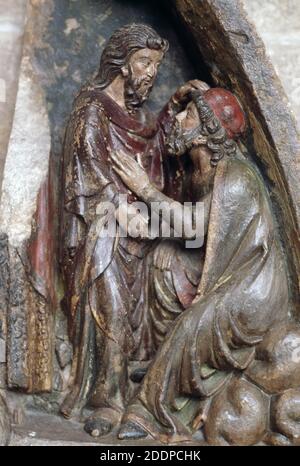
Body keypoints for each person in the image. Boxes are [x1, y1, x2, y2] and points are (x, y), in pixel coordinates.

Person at [111, 88, 289, 443]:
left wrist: (144, 189)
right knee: (162, 267)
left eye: (189, 115)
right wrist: (161, 239)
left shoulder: (236, 177)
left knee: (195, 322)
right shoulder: (200, 174)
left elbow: (192, 226)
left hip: (253, 291)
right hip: (225, 273)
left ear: (208, 130)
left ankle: (148, 414)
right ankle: (165, 362)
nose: (178, 119)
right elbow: (204, 238)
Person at [60, 22, 208, 437]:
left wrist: (172, 106)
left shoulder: (137, 115)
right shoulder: (91, 109)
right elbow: (85, 167)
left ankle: (140, 394)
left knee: (153, 298)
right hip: (103, 231)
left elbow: (151, 145)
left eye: (156, 65)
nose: (150, 72)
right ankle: (105, 399)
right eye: (144, 62)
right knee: (111, 306)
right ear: (121, 63)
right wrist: (119, 209)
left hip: (141, 233)